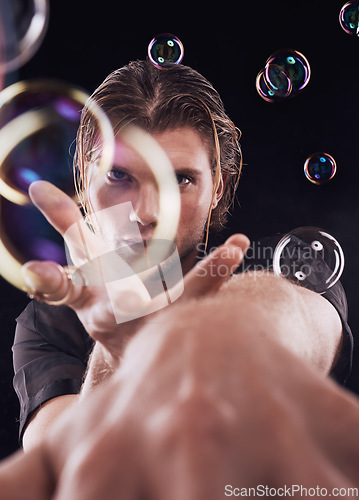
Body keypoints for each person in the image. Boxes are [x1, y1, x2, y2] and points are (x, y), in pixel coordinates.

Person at [2, 59, 356, 493]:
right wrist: (114, 355)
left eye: (182, 179)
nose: (147, 213)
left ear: (217, 189)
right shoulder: (48, 323)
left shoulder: (276, 264)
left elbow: (298, 318)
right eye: (119, 175)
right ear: (84, 180)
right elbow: (69, 473)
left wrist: (206, 332)